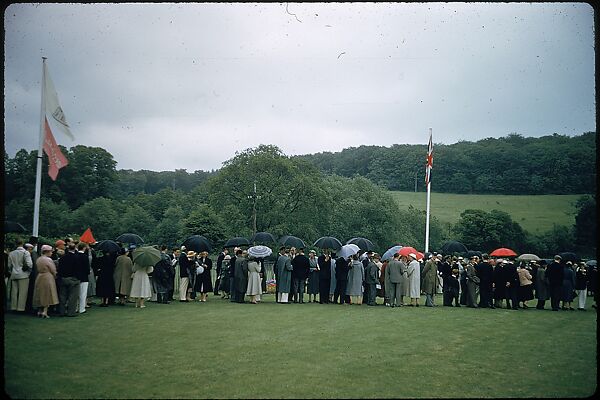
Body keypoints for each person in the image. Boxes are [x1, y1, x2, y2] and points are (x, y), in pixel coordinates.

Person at [32, 245, 59, 318]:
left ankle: (39, 311)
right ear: (47, 252)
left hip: (40, 276)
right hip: (48, 277)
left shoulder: (39, 259)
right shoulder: (48, 260)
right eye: (50, 251)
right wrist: (55, 275)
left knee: (40, 293)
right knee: (47, 293)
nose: (52, 253)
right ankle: (45, 311)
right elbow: (53, 269)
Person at [7, 240, 33, 312]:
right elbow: (30, 264)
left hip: (14, 274)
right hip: (24, 274)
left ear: (16, 244)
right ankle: (20, 308)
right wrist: (28, 272)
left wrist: (11, 271)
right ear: (23, 244)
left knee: (14, 292)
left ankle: (13, 307)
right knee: (22, 292)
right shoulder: (26, 252)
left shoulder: (11, 253)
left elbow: (9, 265)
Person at [57, 242, 81, 316]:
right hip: (73, 279)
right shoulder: (77, 258)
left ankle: (61, 311)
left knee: (62, 296)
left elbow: (59, 268)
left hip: (63, 278)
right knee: (72, 297)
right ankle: (71, 312)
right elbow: (78, 269)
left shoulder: (62, 258)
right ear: (74, 248)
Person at [75, 242, 91, 314]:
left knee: (76, 293)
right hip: (84, 277)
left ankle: (75, 307)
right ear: (84, 248)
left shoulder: (75, 255)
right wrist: (88, 272)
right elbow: (87, 267)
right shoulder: (85, 256)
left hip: (76, 276)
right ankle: (82, 308)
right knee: (83, 293)